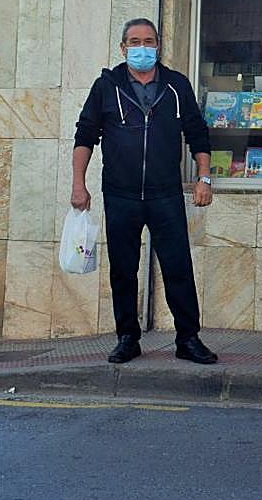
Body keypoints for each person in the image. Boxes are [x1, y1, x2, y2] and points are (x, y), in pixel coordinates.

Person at [71, 18, 218, 366]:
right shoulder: (106, 87)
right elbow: (85, 135)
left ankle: (188, 339)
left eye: (148, 41)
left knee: (178, 267)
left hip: (165, 194)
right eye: (134, 42)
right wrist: (78, 184)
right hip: (120, 194)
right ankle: (127, 338)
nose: (142, 48)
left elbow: (198, 133)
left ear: (158, 46)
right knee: (123, 270)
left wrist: (204, 178)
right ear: (123, 48)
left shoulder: (176, 85)